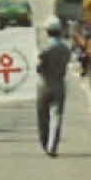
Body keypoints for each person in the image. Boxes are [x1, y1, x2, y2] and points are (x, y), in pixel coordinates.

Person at [35, 16, 72, 157]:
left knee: (42, 116)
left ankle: (45, 143)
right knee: (57, 115)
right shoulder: (65, 48)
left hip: (44, 82)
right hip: (59, 83)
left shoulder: (44, 47)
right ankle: (52, 146)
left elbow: (38, 66)